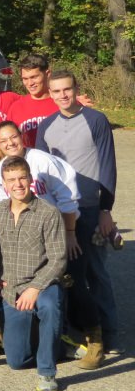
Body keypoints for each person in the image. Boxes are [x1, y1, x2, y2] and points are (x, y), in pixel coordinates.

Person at [37, 69, 119, 361]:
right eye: (56, 91)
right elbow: (41, 174)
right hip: (60, 211)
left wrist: (105, 210)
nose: (62, 95)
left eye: (67, 89)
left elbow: (108, 167)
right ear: (50, 94)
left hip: (89, 207)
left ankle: (107, 331)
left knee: (95, 271)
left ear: (76, 88)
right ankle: (78, 328)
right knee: (69, 273)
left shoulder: (95, 120)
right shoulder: (46, 126)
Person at [0, 155, 68, 391]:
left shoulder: (48, 213)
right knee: (16, 361)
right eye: (11, 180)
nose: (17, 184)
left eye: (22, 178)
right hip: (12, 290)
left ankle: (47, 372)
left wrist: (35, 288)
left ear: (30, 179)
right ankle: (56, 344)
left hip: (44, 284)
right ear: (4, 184)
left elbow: (58, 258)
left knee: (50, 306)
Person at [0, 121, 79, 222]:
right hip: (21, 226)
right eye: (3, 141)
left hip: (53, 224)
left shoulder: (43, 160)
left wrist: (68, 230)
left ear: (21, 136)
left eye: (14, 137)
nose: (10, 143)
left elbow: (67, 197)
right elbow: (2, 200)